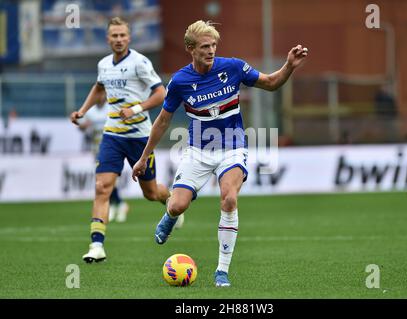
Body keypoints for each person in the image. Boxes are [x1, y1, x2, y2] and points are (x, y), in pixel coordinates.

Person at [132, 20, 308, 286]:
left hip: (232, 148)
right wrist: (144, 157)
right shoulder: (180, 81)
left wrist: (289, 67)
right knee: (178, 204)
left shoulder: (233, 67)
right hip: (198, 151)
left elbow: (271, 83)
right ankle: (169, 217)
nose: (211, 50)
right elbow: (163, 121)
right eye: (205, 46)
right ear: (191, 49)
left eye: (214, 44)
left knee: (229, 199)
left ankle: (222, 271)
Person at [70, 17, 172, 263]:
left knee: (150, 192)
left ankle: (172, 204)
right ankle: (97, 245)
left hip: (140, 138)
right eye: (113, 36)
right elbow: (99, 88)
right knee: (101, 187)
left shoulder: (139, 63)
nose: (118, 40)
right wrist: (83, 111)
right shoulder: (104, 64)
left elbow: (161, 93)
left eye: (122, 35)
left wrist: (136, 109)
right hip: (112, 135)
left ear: (129, 38)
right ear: (108, 39)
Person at [77, 99, 130, 223]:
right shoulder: (90, 111)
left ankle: (114, 205)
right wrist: (82, 124)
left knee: (107, 180)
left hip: (112, 149)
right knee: (103, 181)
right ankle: (118, 205)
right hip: (97, 149)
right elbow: (82, 128)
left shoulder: (111, 108)